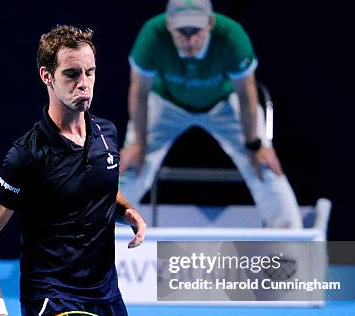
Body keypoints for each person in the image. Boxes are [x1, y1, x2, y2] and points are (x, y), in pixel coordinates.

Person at [0, 25, 146, 316]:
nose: (84, 83)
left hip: (105, 293)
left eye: (90, 73)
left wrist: (126, 209)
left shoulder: (106, 134)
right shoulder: (27, 156)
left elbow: (96, 185)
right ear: (46, 76)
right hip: (54, 296)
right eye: (72, 74)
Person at [119, 0, 303, 228]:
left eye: (195, 31)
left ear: (210, 23)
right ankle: (101, 236)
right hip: (166, 104)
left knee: (263, 164)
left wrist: (255, 144)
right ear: (168, 25)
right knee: (130, 167)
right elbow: (139, 92)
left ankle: (292, 243)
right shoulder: (151, 35)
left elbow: (246, 95)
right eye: (182, 32)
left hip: (223, 105)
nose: (189, 39)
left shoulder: (232, 36)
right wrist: (139, 143)